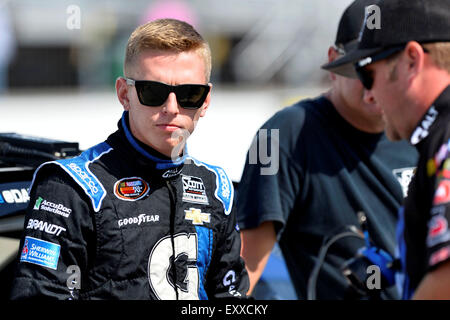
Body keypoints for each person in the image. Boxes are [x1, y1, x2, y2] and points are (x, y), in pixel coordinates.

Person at [10, 18, 249, 300]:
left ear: (206, 101)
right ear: (125, 94)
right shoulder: (71, 187)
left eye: (189, 94)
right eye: (154, 92)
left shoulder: (217, 187)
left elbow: (231, 298)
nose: (171, 108)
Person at [236, 0, 418, 300]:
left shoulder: (426, 131)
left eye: (391, 68)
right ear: (334, 61)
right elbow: (245, 266)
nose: (376, 82)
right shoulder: (282, 135)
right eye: (364, 68)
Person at [328, 0, 450, 300]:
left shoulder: (445, 139)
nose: (369, 93)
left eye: (367, 73)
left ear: (411, 60)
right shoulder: (434, 139)